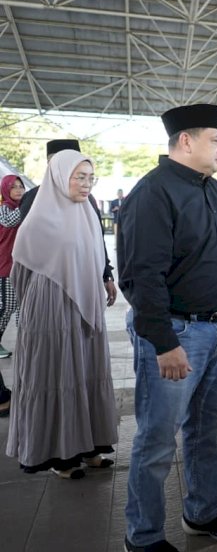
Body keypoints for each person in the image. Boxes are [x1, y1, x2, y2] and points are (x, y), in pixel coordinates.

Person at [119, 104, 217, 551]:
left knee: (206, 429)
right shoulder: (153, 193)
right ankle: (144, 537)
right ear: (186, 141)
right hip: (178, 335)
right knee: (157, 438)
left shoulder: (215, 192)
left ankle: (201, 511)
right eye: (215, 140)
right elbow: (142, 275)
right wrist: (163, 341)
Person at [6, 149, 118, 479]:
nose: (86, 185)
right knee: (57, 374)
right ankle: (60, 456)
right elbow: (20, 271)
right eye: (79, 177)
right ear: (58, 176)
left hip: (85, 307)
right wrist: (39, 305)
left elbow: (96, 258)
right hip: (51, 309)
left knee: (86, 372)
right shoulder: (39, 219)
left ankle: (90, 445)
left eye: (90, 178)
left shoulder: (86, 214)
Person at [19, 139, 118, 305]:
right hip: (49, 286)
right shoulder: (33, 198)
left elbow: (97, 240)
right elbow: (26, 248)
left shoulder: (87, 199)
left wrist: (106, 275)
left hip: (86, 282)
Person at [0, 175, 25, 358]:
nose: (18, 190)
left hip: (22, 267)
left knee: (23, 309)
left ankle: (24, 343)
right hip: (5, 267)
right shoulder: (3, 209)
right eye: (13, 187)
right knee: (7, 307)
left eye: (20, 186)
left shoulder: (23, 209)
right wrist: (28, 203)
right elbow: (9, 222)